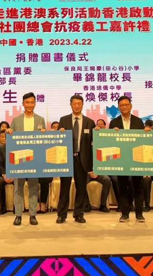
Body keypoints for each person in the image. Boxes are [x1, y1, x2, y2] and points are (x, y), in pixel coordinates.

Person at [7, 92, 45, 226]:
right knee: (18, 188)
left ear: (35, 103)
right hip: (19, 159)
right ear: (23, 104)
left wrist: (44, 133)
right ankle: (18, 215)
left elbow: (44, 141)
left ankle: (33, 215)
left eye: (32, 102)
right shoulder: (16, 120)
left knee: (33, 187)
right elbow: (10, 136)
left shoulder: (40, 120)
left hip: (34, 159)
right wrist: (9, 132)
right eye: (27, 102)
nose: (30, 105)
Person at [56, 95, 95, 224]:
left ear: (82, 105)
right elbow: (58, 140)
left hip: (82, 159)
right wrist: (59, 133)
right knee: (64, 188)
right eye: (75, 103)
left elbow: (94, 142)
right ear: (71, 105)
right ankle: (61, 214)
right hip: (67, 159)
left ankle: (79, 214)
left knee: (81, 188)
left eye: (79, 103)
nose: (77, 106)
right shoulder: (64, 120)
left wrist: (98, 132)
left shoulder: (90, 122)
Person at [109, 96, 146, 223]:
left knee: (138, 187)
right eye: (121, 105)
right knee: (122, 187)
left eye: (126, 104)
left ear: (131, 106)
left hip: (136, 159)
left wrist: (147, 133)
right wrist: (113, 134)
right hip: (121, 159)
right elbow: (110, 142)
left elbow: (142, 140)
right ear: (118, 107)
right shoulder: (114, 123)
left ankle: (139, 214)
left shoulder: (138, 121)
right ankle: (124, 214)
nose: (124, 107)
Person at [0, 130, 12, 215]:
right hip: (4, 174)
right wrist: (4, 175)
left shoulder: (18, 147)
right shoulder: (1, 149)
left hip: (16, 174)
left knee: (19, 181)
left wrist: (14, 175)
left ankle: (17, 206)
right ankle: (3, 206)